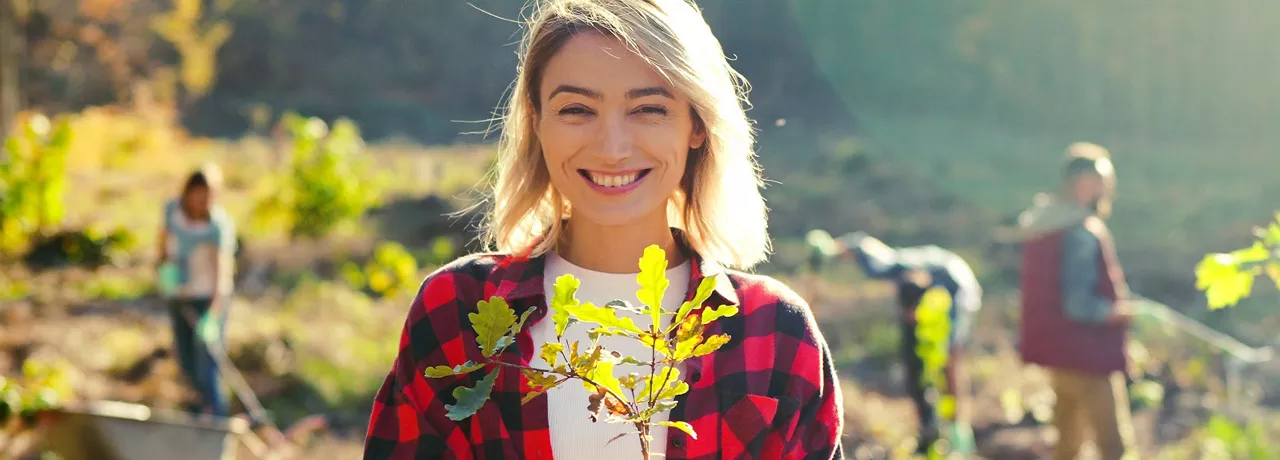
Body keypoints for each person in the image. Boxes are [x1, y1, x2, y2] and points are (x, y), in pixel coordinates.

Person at [363, 1, 844, 458]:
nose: (612, 147)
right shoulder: (457, 310)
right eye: (577, 109)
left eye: (648, 109)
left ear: (696, 125)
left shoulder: (775, 330)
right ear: (538, 122)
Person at [1016, 142, 1136, 460]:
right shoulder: (1079, 230)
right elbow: (1078, 303)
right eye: (1103, 179)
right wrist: (1119, 313)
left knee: (1067, 445)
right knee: (1114, 447)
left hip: (1059, 354)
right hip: (1089, 357)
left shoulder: (1046, 224)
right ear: (1084, 181)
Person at [833, 231, 981, 455]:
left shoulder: (900, 270)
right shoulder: (898, 266)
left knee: (950, 361)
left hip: (959, 292)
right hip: (952, 290)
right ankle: (937, 429)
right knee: (931, 367)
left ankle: (957, 427)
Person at [156, 164, 237, 417]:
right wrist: (164, 271)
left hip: (208, 300)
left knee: (208, 366)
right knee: (187, 363)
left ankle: (217, 420)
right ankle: (196, 417)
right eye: (199, 195)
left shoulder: (217, 226)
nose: (203, 202)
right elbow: (162, 246)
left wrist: (212, 318)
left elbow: (222, 276)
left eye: (209, 197)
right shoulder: (173, 212)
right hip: (180, 297)